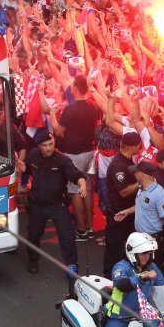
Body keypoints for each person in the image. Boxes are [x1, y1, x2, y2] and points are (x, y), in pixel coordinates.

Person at [14, 132, 85, 286]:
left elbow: (76, 174)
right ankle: (33, 260)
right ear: (39, 146)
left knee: (67, 235)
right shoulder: (33, 155)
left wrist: (82, 184)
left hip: (57, 204)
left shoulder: (62, 160)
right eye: (44, 145)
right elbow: (27, 170)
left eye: (51, 144)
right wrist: (22, 168)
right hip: (37, 204)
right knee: (33, 234)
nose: (48, 148)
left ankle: (72, 265)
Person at [50, 74, 101, 239]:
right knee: (88, 188)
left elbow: (58, 132)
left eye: (72, 86)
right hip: (91, 153)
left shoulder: (70, 109)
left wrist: (52, 115)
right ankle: (90, 227)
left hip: (75, 155)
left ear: (77, 89)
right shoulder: (93, 106)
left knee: (76, 191)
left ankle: (81, 230)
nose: (70, 88)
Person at [113, 161, 164, 281]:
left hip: (153, 240)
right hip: (141, 238)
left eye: (135, 172)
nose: (134, 174)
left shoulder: (159, 194)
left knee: (154, 273)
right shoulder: (142, 188)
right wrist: (126, 212)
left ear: (141, 175)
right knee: (140, 270)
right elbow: (141, 205)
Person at [103, 232, 164, 326]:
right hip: (120, 317)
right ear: (133, 253)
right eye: (143, 253)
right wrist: (143, 277)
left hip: (144, 314)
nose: (146, 256)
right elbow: (122, 285)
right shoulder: (121, 267)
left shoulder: (152, 267)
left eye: (148, 253)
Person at [103, 132, 143, 277]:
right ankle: (109, 277)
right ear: (133, 147)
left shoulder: (127, 161)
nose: (140, 146)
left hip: (128, 211)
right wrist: (141, 182)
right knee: (114, 247)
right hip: (119, 212)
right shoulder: (118, 165)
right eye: (139, 144)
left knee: (128, 245)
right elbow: (124, 192)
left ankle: (123, 274)